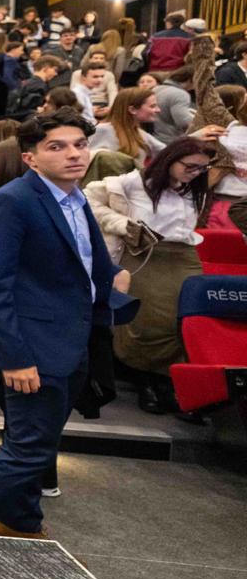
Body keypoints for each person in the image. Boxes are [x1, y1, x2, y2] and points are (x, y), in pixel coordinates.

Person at [0, 109, 129, 539]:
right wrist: (14, 357)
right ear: (30, 158)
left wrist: (113, 287)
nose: (73, 154)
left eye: (79, 144)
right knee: (25, 453)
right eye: (56, 147)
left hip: (71, 344)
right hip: (32, 350)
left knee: (37, 448)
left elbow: (81, 273)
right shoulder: (12, 202)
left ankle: (21, 522)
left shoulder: (77, 200)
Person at [87, 137, 212, 415]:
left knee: (183, 319)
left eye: (202, 169)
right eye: (190, 166)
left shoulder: (195, 187)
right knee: (147, 323)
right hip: (145, 253)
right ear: (170, 160)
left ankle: (167, 383)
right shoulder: (131, 182)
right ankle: (147, 382)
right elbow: (90, 201)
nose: (196, 173)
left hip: (184, 256)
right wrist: (124, 225)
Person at [88, 87, 163, 164]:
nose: (158, 110)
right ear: (132, 110)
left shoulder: (139, 133)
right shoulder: (102, 130)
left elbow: (166, 152)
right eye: (152, 106)